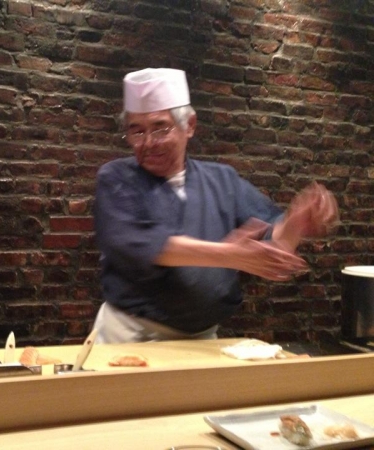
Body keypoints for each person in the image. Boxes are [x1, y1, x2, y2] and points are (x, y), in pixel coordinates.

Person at [92, 68, 339, 344]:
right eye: (136, 131)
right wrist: (228, 255)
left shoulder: (222, 180)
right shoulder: (116, 178)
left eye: (160, 128)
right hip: (130, 335)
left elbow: (270, 244)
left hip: (202, 339)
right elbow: (140, 244)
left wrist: (295, 224)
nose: (148, 143)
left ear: (190, 125)